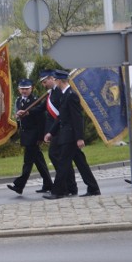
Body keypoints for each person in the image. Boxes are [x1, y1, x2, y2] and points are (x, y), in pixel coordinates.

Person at [44, 70, 100, 199]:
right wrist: (51, 133)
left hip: (70, 136)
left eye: (55, 80)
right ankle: (93, 187)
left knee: (63, 163)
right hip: (67, 135)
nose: (55, 82)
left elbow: (77, 118)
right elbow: (60, 117)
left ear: (59, 81)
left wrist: (79, 138)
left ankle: (57, 191)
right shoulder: (65, 95)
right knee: (81, 163)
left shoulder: (71, 95)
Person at [8, 78, 53, 195]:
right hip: (25, 134)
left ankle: (19, 185)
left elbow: (41, 120)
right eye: (22, 89)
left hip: (34, 135)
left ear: (31, 88)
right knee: (39, 162)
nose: (24, 91)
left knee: (27, 162)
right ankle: (48, 184)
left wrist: (40, 137)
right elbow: (19, 119)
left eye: (26, 89)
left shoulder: (36, 100)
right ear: (18, 89)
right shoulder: (18, 101)